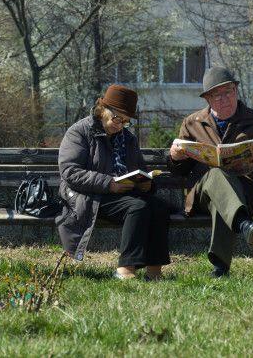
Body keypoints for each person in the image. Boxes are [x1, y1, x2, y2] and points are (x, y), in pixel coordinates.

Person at [168, 66, 253, 277]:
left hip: (244, 191)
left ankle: (220, 267)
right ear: (208, 100)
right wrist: (175, 157)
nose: (223, 98)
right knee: (217, 174)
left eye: (228, 92)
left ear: (236, 91)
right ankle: (245, 224)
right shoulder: (192, 123)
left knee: (225, 195)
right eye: (216, 95)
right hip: (202, 193)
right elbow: (179, 171)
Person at [57, 84, 170, 280]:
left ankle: (154, 272)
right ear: (102, 109)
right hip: (90, 195)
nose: (120, 125)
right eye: (117, 118)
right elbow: (70, 172)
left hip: (122, 193)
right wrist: (109, 183)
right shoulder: (79, 132)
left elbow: (139, 168)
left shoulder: (128, 138)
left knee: (159, 207)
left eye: (125, 122)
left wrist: (146, 183)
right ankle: (125, 270)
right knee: (138, 207)